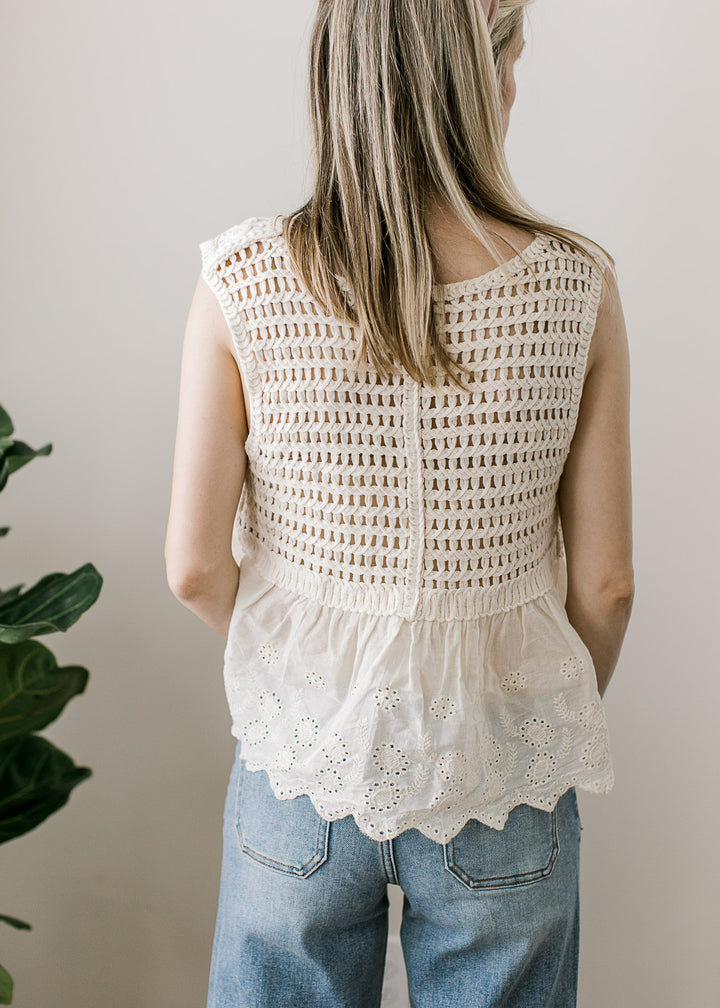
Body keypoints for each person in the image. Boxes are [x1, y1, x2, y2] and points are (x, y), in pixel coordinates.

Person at [165, 0, 634, 1005]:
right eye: (513, 59)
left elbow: (194, 568)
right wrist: (530, 716)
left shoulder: (243, 280)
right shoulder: (577, 287)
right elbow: (607, 586)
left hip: (304, 771)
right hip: (501, 769)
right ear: (480, 76)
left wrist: (305, 688)